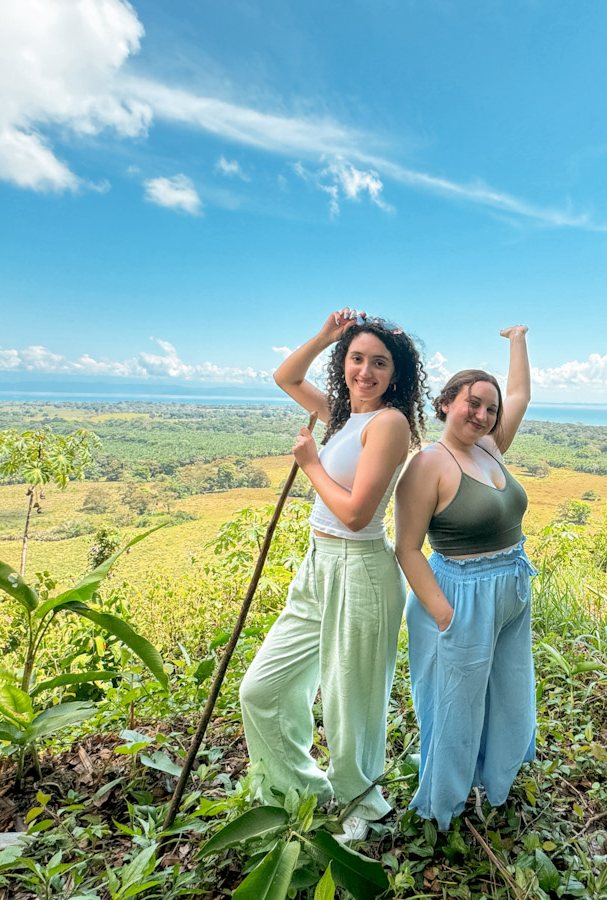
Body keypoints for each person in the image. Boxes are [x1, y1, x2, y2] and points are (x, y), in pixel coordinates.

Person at [239, 308, 428, 841]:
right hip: (318, 566)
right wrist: (326, 335)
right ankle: (301, 790)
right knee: (261, 691)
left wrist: (311, 464)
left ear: (397, 376)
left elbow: (356, 514)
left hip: (360, 567)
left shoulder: (389, 424)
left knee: (351, 702)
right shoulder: (343, 416)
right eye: (356, 357)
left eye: (380, 363)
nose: (365, 371)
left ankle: (363, 808)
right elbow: (286, 378)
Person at [394, 325, 534, 828]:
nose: (483, 414)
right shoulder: (428, 464)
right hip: (459, 595)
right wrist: (444, 614)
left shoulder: (491, 448)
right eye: (472, 403)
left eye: (489, 408)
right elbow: (406, 548)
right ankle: (441, 806)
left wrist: (517, 338)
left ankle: (496, 780)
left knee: (509, 692)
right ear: (447, 402)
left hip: (511, 589)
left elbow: (519, 393)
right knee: (456, 708)